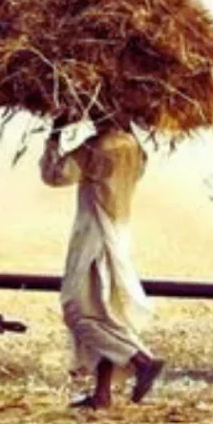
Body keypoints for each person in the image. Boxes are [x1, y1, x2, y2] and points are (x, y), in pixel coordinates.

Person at [39, 115, 165, 409]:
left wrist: (55, 132)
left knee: (78, 311)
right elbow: (141, 168)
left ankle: (141, 360)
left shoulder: (96, 148)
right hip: (119, 235)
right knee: (108, 311)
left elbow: (55, 175)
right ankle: (102, 393)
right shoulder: (134, 147)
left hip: (93, 237)